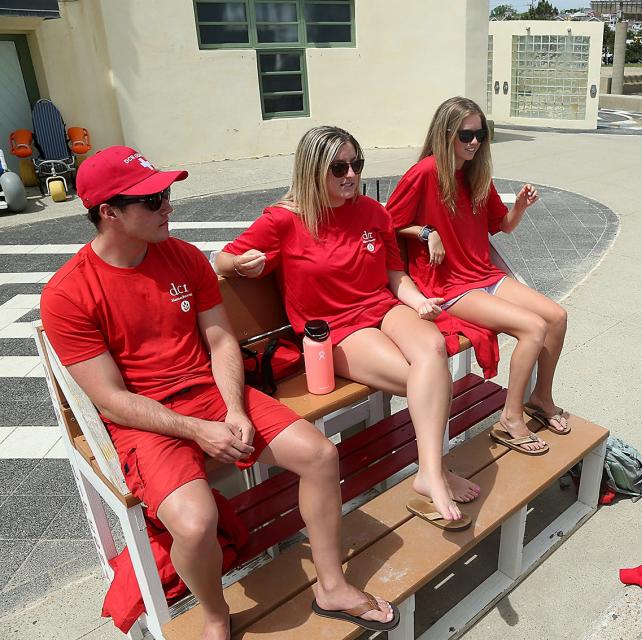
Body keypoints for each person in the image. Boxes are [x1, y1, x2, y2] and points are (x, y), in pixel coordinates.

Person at [39, 146, 398, 640]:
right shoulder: (68, 294)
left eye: (166, 193)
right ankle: (214, 616)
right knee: (193, 523)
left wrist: (233, 409)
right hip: (144, 419)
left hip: (212, 393)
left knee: (318, 455)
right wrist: (197, 430)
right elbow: (112, 400)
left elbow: (221, 339)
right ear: (109, 213)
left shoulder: (183, 257)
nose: (168, 205)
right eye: (152, 199)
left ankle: (331, 585)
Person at [215, 126, 477, 527]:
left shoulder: (374, 213)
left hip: (383, 307)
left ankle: (430, 473)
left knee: (434, 352)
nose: (350, 175)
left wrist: (419, 301)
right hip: (336, 329)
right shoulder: (283, 220)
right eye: (339, 167)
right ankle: (435, 471)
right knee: (422, 377)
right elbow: (223, 260)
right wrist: (238, 264)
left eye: (356, 164)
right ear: (313, 169)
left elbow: (394, 276)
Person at [387, 96, 569, 455]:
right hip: (449, 285)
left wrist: (519, 208)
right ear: (446, 133)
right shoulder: (425, 173)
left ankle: (541, 397)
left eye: (481, 134)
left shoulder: (474, 173)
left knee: (557, 317)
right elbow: (388, 224)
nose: (474, 142)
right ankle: (510, 419)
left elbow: (500, 226)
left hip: (483, 274)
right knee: (533, 328)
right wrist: (427, 232)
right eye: (466, 134)